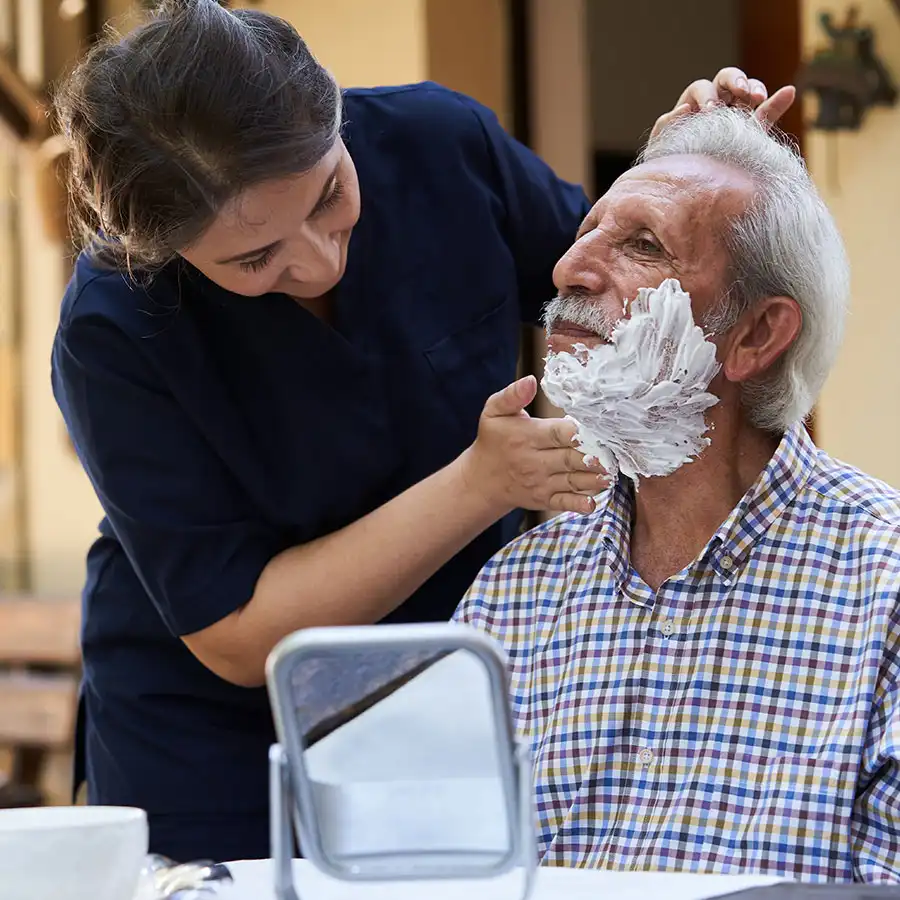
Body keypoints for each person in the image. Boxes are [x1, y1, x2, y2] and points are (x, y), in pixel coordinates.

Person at [51, 0, 794, 863]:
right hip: (216, 750)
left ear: (331, 110)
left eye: (330, 194)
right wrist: (478, 486)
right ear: (165, 252)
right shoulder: (115, 327)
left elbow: (611, 294)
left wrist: (672, 178)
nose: (320, 258)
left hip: (454, 691)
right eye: (254, 261)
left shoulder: (440, 146)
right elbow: (239, 635)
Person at [455, 105, 900, 882]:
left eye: (642, 245)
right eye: (585, 230)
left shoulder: (883, 587)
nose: (569, 269)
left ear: (756, 335)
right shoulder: (512, 594)